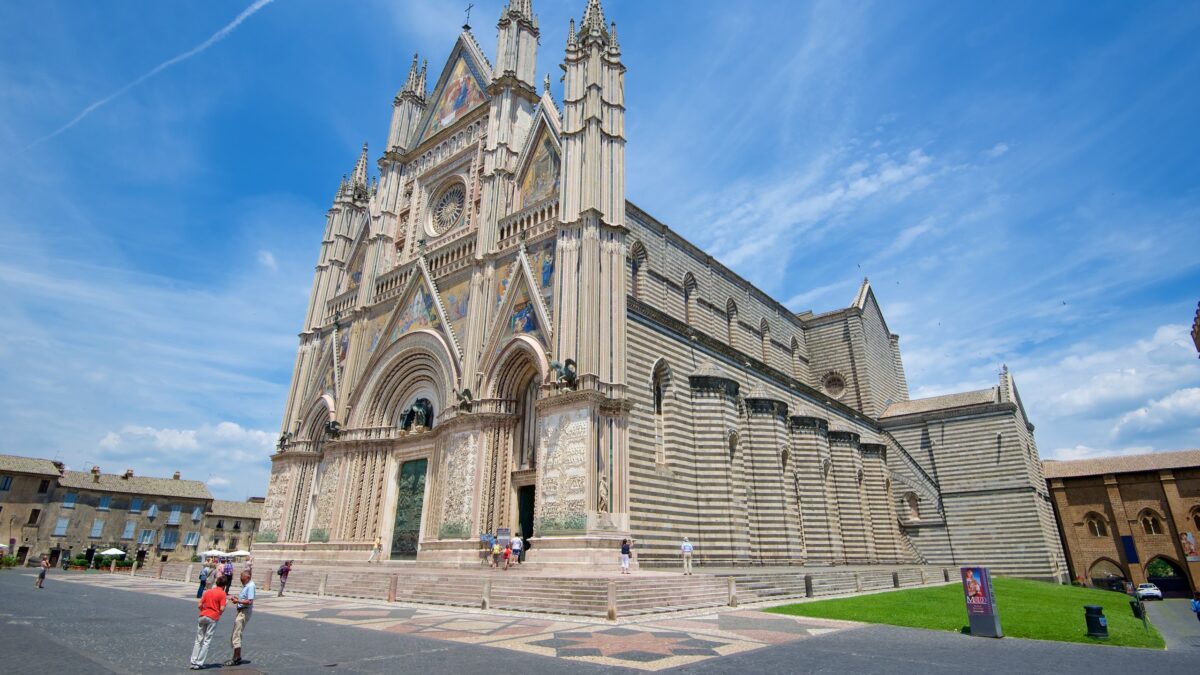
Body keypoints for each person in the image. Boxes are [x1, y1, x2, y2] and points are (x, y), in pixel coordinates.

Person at [189, 574, 228, 669]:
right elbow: (222, 608)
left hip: (203, 615)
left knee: (198, 640)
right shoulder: (222, 594)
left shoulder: (208, 591)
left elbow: (199, 604)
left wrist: (203, 610)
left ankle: (193, 661)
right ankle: (199, 663)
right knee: (207, 641)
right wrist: (219, 613)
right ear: (224, 585)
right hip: (213, 617)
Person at [225, 570, 255, 667]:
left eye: (242, 579)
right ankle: (237, 656)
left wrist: (238, 600)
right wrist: (237, 599)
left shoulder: (250, 586)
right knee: (236, 633)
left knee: (236, 634)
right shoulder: (247, 585)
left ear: (247, 577)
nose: (241, 581)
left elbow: (249, 601)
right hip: (242, 610)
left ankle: (236, 658)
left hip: (244, 612)